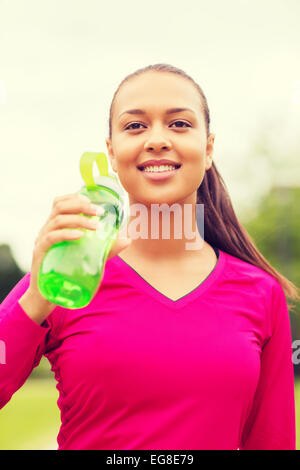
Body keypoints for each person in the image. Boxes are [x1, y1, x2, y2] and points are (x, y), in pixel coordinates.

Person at [0, 63, 299, 450]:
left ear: (208, 149)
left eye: (179, 124)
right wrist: (35, 301)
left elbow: (271, 442)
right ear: (111, 152)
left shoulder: (260, 293)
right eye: (135, 126)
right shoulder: (64, 274)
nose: (157, 139)